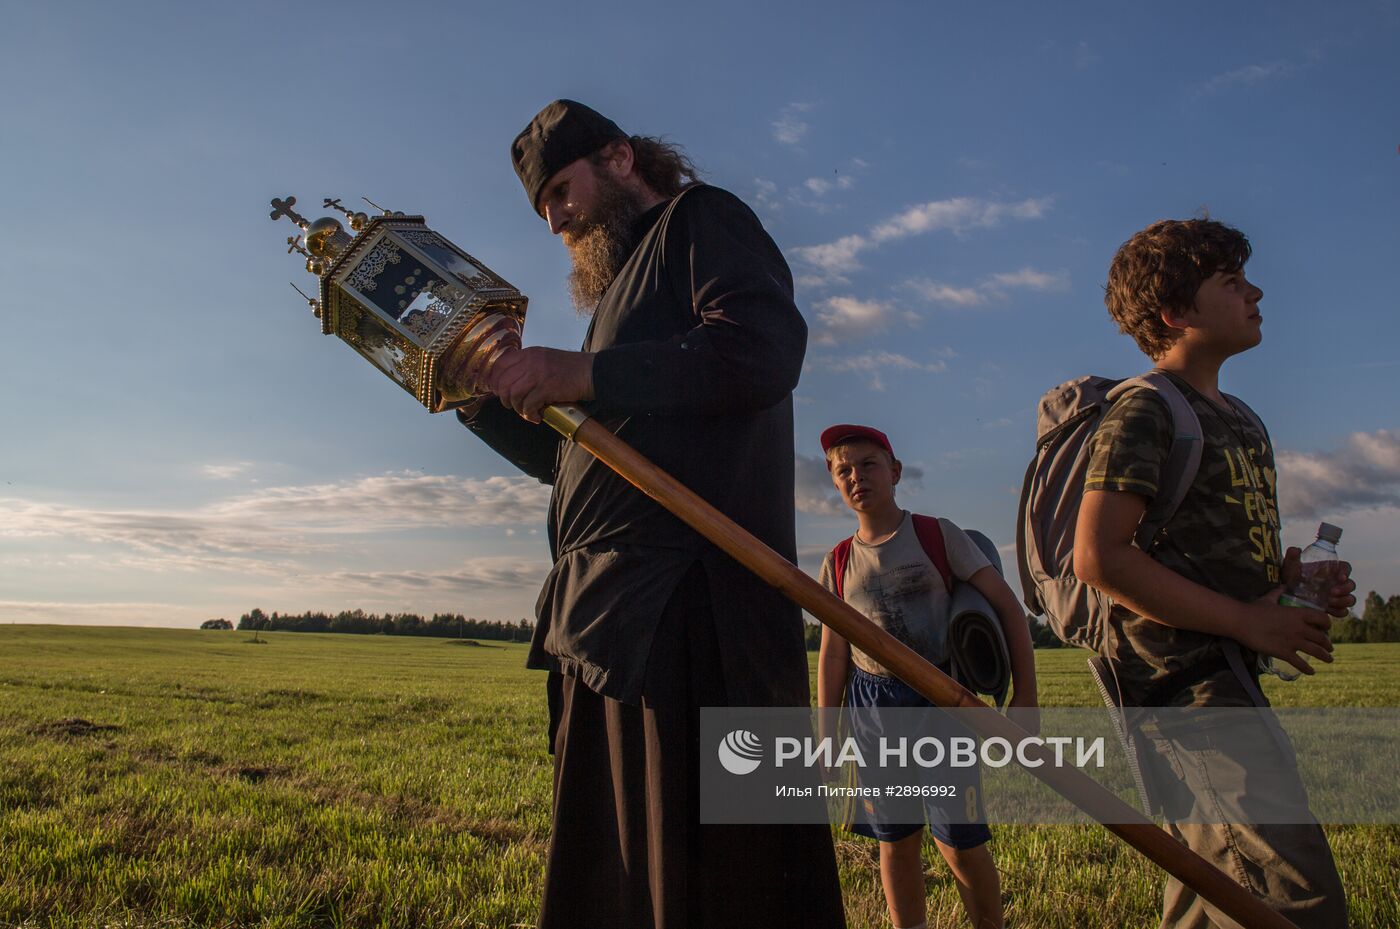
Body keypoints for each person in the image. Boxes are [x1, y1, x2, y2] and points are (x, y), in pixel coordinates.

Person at [457, 99, 844, 929]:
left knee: (712, 881)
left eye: (563, 191)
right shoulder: (614, 310)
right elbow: (582, 465)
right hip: (613, 625)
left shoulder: (702, 221)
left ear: (622, 158)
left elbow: (760, 351)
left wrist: (584, 375)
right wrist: (485, 399)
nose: (558, 218)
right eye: (546, 210)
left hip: (698, 615)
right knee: (626, 881)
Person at [1074, 219, 1357, 928]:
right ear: (1175, 312)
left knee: (1211, 895)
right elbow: (1099, 556)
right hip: (1182, 695)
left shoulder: (1244, 420)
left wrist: (1286, 585)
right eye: (1231, 282)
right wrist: (1246, 619)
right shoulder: (1144, 408)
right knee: (1296, 898)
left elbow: (1218, 553)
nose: (1256, 291)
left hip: (1229, 676)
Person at [815, 424, 1038, 929]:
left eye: (868, 464)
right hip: (873, 708)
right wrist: (828, 737)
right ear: (834, 483)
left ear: (895, 472)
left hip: (941, 701)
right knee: (895, 843)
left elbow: (1009, 609)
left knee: (958, 841)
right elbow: (833, 655)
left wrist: (1026, 697)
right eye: (842, 470)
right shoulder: (838, 561)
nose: (856, 477)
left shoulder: (938, 535)